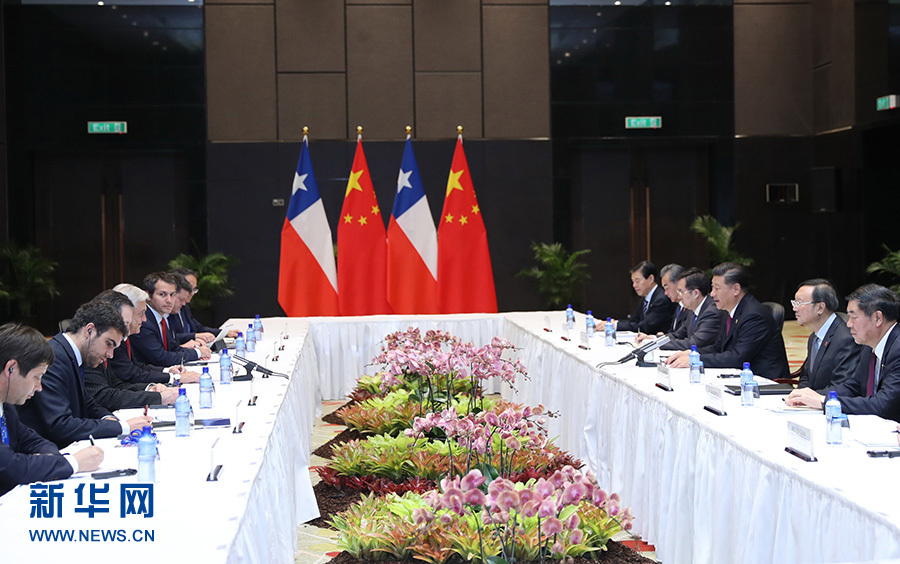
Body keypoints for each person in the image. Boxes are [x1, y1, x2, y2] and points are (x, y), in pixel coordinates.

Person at [17, 300, 153, 448]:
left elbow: (86, 401)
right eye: (108, 344)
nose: (110, 355)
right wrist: (123, 427)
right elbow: (60, 425)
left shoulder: (71, 354)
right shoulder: (54, 358)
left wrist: (108, 418)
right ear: (89, 330)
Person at [0, 323, 104, 495]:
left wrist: (50, 460)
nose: (39, 387)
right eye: (37, 377)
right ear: (11, 368)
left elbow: (34, 441)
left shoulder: (6, 405)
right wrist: (73, 463)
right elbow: (10, 467)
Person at [787, 284, 900, 421]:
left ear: (877, 318)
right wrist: (810, 396)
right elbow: (853, 386)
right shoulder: (868, 346)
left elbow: (883, 404)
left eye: (854, 317)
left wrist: (824, 401)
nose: (848, 324)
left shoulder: (897, 349)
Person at [666, 262, 790, 379]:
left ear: (736, 289)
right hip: (741, 377)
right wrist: (690, 353)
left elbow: (737, 358)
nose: (712, 294)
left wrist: (696, 360)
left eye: (717, 288)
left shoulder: (754, 316)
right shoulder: (729, 311)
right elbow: (718, 348)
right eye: (712, 288)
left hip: (765, 382)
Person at [84, 290, 181, 410]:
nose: (144, 319)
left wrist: (149, 389)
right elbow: (105, 395)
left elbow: (116, 385)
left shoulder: (104, 344)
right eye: (125, 323)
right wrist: (159, 397)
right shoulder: (90, 351)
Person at [108, 283, 199, 386]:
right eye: (141, 313)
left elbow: (137, 366)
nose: (144, 319)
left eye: (172, 294)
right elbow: (131, 374)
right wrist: (174, 378)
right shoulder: (114, 340)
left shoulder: (125, 336)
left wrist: (167, 371)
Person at [129, 271, 211, 367]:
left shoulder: (162, 318)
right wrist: (197, 353)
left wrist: (197, 350)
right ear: (148, 296)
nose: (169, 300)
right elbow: (161, 358)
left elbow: (174, 348)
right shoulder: (144, 321)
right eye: (162, 294)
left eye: (172, 295)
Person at [792, 279, 860, 390]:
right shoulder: (814, 337)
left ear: (820, 308)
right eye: (794, 303)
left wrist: (812, 397)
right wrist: (798, 394)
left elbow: (842, 386)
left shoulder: (846, 340)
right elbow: (806, 377)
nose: (794, 308)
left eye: (799, 303)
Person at [657, 267, 724, 351]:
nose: (679, 296)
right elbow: (678, 335)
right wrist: (654, 340)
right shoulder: (692, 309)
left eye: (681, 292)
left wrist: (658, 344)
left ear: (696, 293)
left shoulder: (712, 312)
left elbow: (694, 343)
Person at [171, 266, 238, 339]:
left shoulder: (184, 307)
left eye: (194, 289)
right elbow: (170, 338)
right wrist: (195, 336)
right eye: (189, 288)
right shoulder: (168, 309)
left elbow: (199, 328)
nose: (192, 293)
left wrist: (224, 333)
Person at [614, 261, 676, 335]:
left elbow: (645, 327)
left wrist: (616, 325)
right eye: (633, 281)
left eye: (637, 281)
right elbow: (634, 321)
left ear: (650, 279)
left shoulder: (661, 300)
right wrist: (615, 323)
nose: (634, 285)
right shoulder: (644, 298)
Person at [636, 263, 685, 343]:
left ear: (679, 284)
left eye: (667, 287)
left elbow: (683, 338)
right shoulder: (679, 306)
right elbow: (674, 334)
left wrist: (658, 340)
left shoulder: (689, 308)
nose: (665, 293)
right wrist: (655, 337)